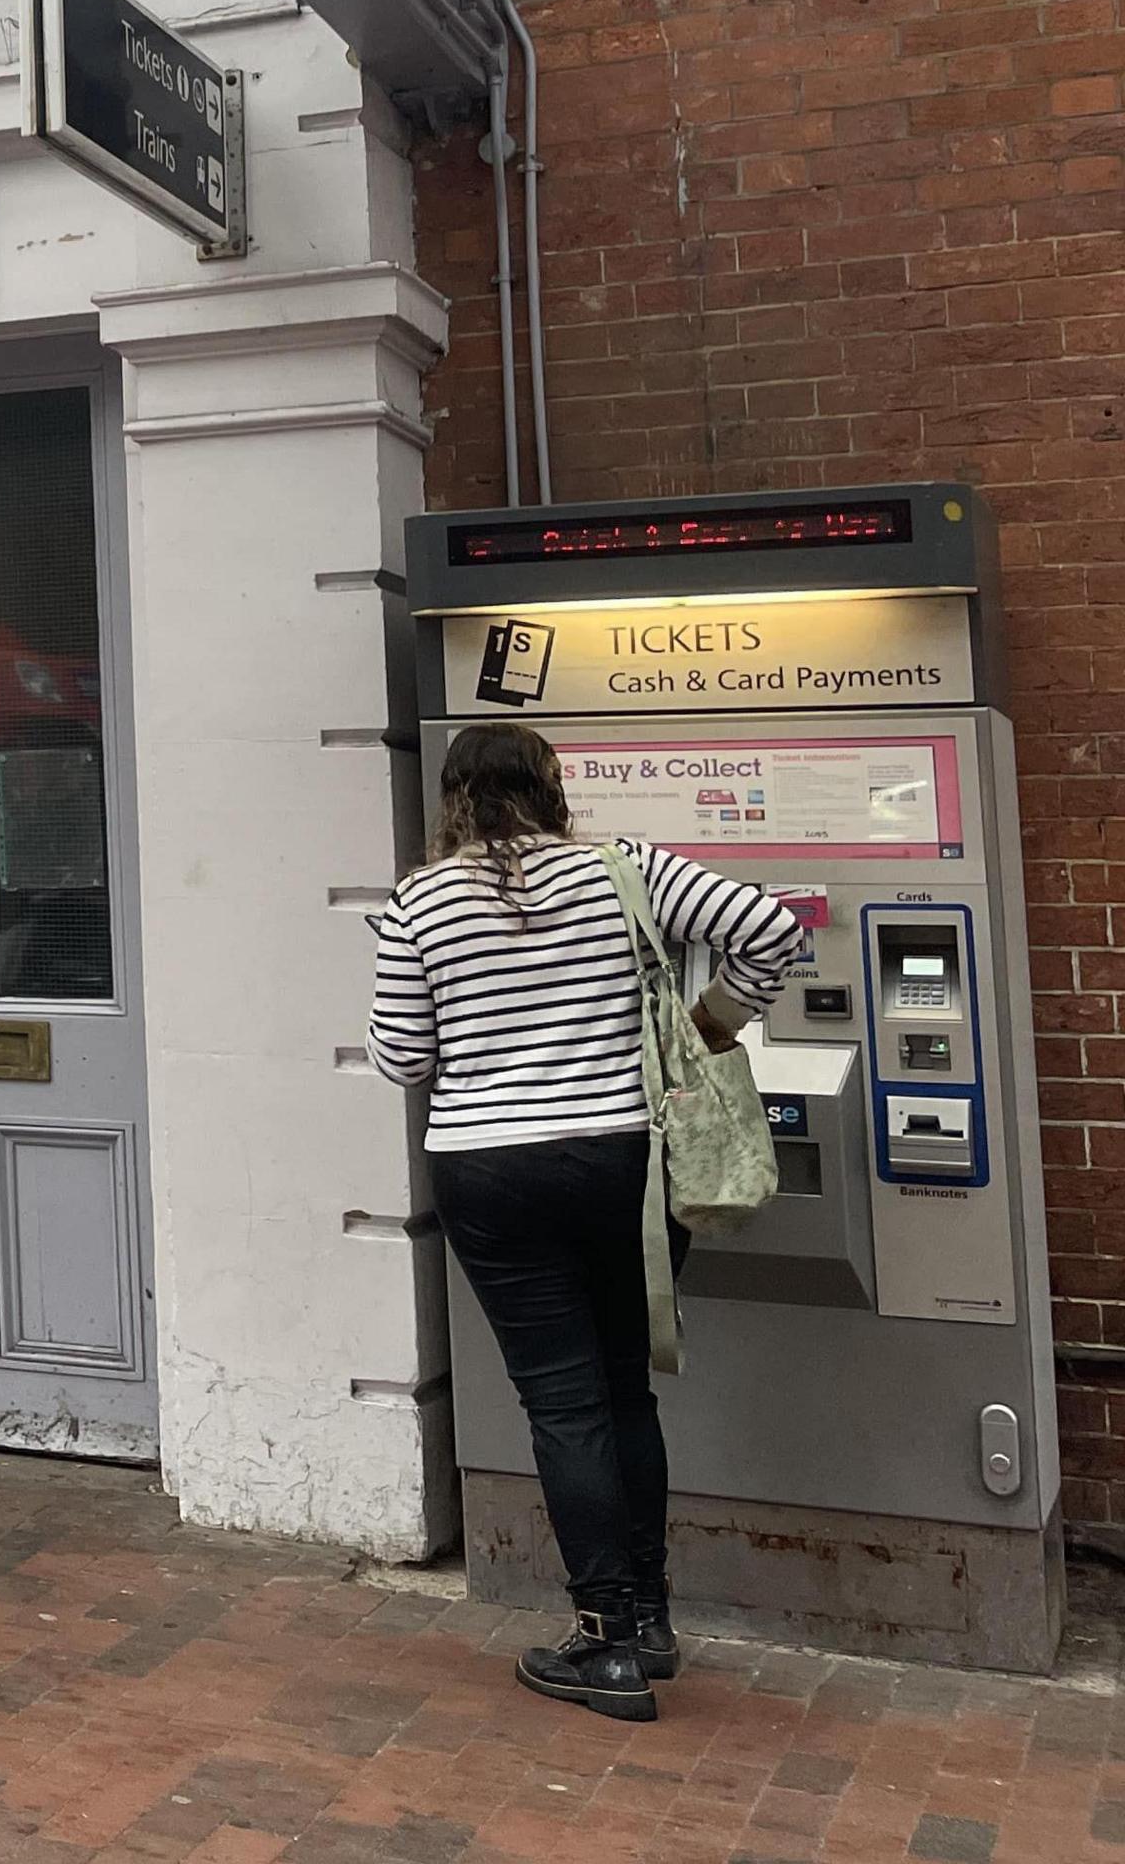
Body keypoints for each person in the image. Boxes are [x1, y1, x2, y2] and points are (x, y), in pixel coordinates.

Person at [367, 721, 801, 1723]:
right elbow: (772, 928)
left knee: (561, 1405)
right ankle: (646, 1621)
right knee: (623, 1394)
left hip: (489, 1169)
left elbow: (401, 1057)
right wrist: (709, 1028)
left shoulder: (418, 900)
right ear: (552, 786)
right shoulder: (626, 872)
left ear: (452, 797)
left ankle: (602, 1646)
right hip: (625, 1159)